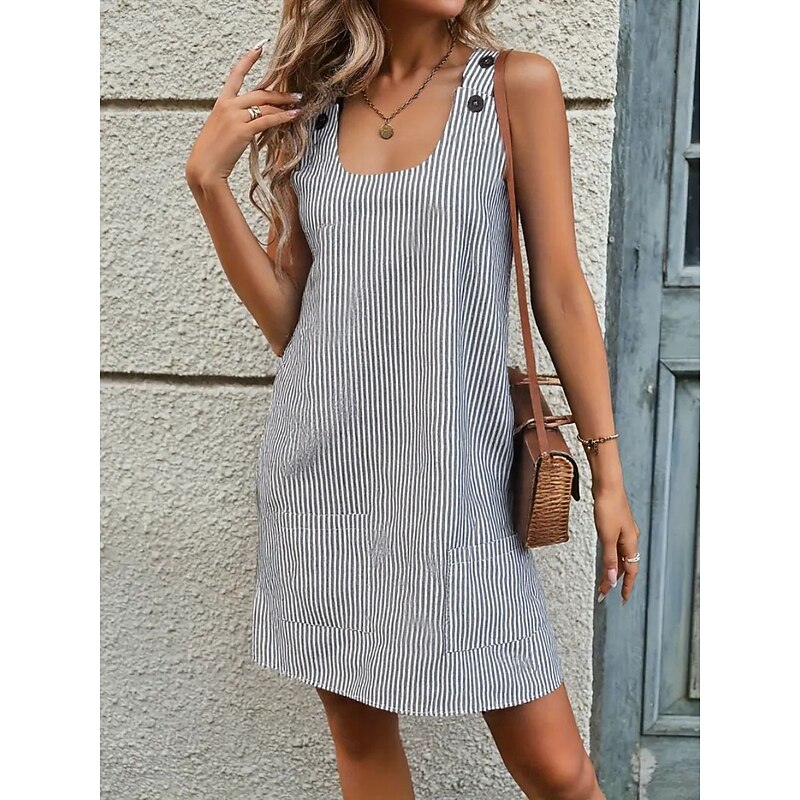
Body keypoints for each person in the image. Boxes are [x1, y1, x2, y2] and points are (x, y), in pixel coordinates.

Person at [185, 3, 640, 798]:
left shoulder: (515, 88)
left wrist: (608, 472)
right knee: (362, 748)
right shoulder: (315, 110)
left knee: (559, 772)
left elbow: (562, 292)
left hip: (459, 486)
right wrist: (208, 185)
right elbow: (291, 324)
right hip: (324, 488)